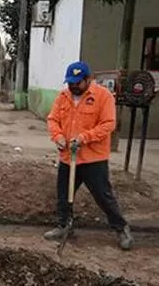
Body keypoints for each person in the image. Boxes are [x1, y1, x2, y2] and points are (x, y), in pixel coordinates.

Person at [44, 61, 133, 250]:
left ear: (88, 79)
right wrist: (58, 137)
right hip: (69, 157)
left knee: (103, 196)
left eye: (77, 82)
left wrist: (84, 138)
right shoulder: (63, 96)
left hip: (93, 159)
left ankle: (121, 228)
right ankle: (64, 225)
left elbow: (108, 124)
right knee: (63, 195)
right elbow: (53, 119)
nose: (73, 86)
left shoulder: (103, 96)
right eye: (70, 83)